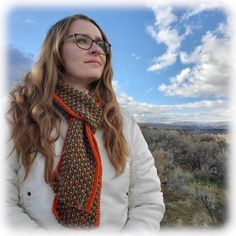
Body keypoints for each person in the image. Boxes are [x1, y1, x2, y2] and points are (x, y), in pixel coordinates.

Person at [2, 14, 165, 233]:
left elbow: (147, 200)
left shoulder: (122, 122)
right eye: (83, 40)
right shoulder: (17, 110)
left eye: (101, 44)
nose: (97, 50)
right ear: (56, 49)